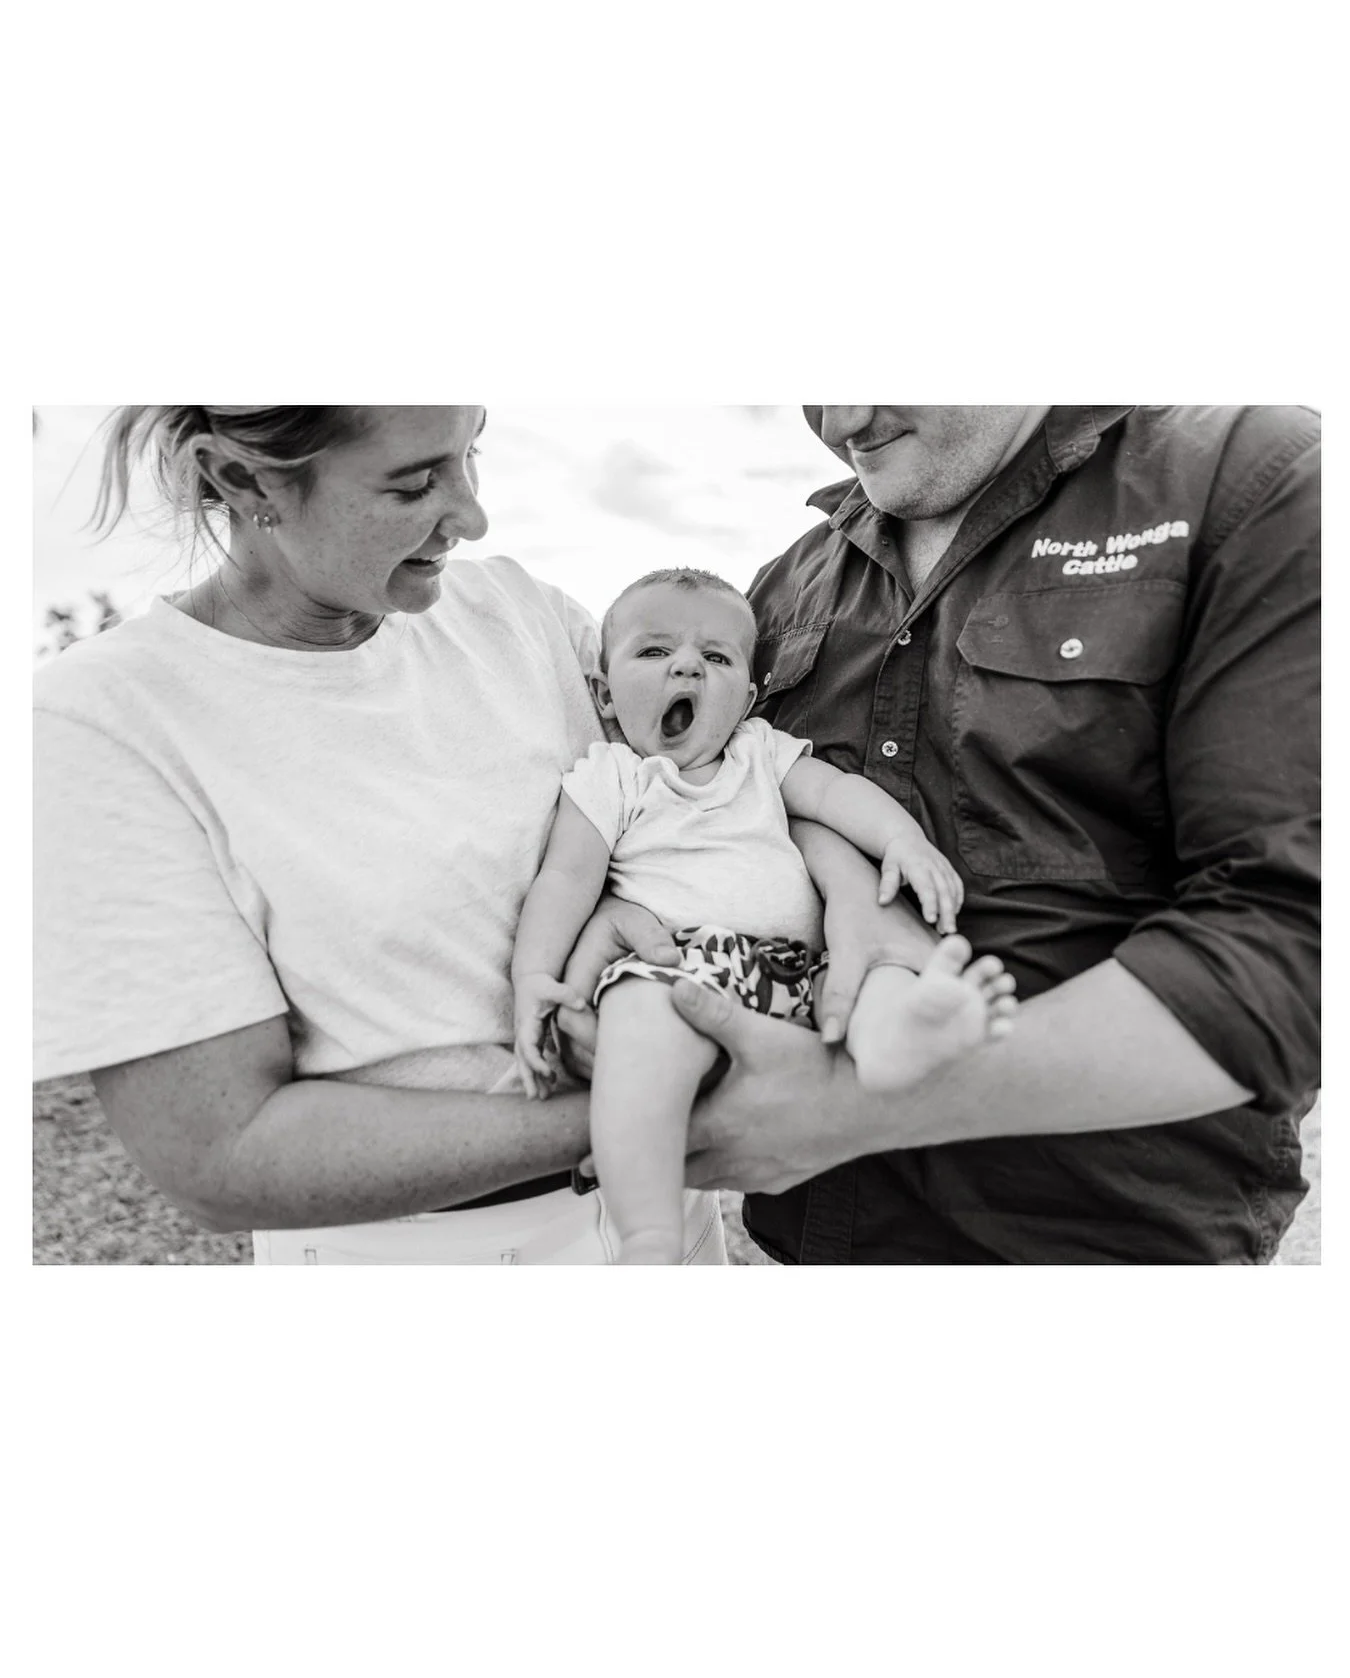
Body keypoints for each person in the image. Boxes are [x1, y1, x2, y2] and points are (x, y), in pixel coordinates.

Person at [35, 405, 748, 1265]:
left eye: (469, 454)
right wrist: (670, 1110)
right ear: (242, 479)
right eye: (415, 482)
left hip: (674, 1221)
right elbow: (220, 1155)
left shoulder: (525, 615)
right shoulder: (107, 719)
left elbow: (722, 794)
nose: (473, 515)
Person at [611, 406, 1319, 1264]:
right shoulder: (778, 590)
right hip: (801, 1253)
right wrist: (838, 874)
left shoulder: (1254, 474)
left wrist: (852, 1111)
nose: (843, 418)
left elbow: (1292, 949)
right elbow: (735, 790)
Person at [510, 566, 1015, 1263]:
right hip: (679, 969)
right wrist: (535, 973)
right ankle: (650, 1233)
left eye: (714, 657)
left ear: (746, 697)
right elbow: (565, 877)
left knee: (877, 974)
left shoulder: (758, 752)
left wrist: (902, 839)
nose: (686, 663)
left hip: (803, 970)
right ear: (602, 692)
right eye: (654, 652)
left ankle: (904, 1037)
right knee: (637, 1049)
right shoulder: (611, 777)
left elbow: (836, 794)